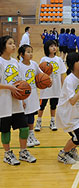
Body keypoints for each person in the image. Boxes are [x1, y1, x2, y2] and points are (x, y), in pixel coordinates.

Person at [0, 35, 36, 165]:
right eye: (10, 43)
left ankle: (23, 151)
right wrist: (8, 87)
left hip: (16, 101)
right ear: (3, 46)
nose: (14, 45)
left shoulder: (15, 62)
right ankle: (7, 154)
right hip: (3, 102)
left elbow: (20, 81)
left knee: (24, 128)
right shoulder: (0, 62)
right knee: (5, 130)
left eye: (14, 43)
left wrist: (23, 97)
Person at [35, 40, 67, 131]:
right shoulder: (43, 60)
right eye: (51, 46)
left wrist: (63, 87)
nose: (54, 48)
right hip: (45, 88)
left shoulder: (59, 60)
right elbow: (39, 74)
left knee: (54, 105)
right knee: (42, 106)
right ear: (47, 48)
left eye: (55, 46)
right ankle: (38, 121)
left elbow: (62, 74)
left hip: (56, 87)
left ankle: (53, 121)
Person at [17, 44, 41, 147]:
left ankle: (31, 135)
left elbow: (40, 76)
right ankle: (25, 138)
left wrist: (48, 80)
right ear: (21, 54)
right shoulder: (18, 66)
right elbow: (17, 83)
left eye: (31, 51)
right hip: (23, 96)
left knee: (31, 116)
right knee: (24, 118)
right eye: (28, 52)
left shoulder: (34, 64)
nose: (30, 54)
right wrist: (21, 99)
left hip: (33, 95)